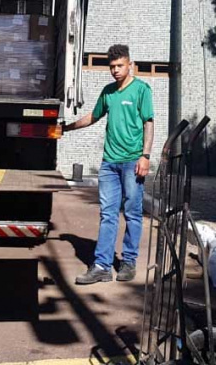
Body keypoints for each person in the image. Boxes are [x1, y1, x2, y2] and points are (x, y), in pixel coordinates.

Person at [62, 44, 154, 284]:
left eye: (119, 66)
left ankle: (128, 261)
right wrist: (67, 128)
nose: (115, 70)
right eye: (112, 67)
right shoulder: (108, 91)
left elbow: (149, 123)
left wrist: (145, 156)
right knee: (107, 214)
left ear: (129, 64)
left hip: (133, 161)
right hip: (109, 164)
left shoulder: (141, 90)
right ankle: (102, 265)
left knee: (133, 213)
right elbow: (93, 116)